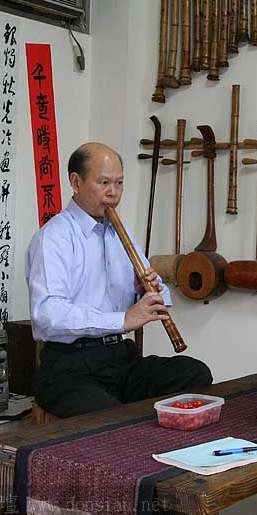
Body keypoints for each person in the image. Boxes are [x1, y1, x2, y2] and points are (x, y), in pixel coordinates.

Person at [25, 142, 212, 418]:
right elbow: (47, 315)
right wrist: (122, 320)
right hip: (69, 367)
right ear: (76, 182)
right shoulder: (54, 237)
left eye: (119, 183)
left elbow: (158, 297)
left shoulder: (119, 233)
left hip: (120, 358)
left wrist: (143, 292)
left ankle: (156, 440)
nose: (113, 192)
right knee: (112, 416)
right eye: (104, 183)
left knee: (194, 374)